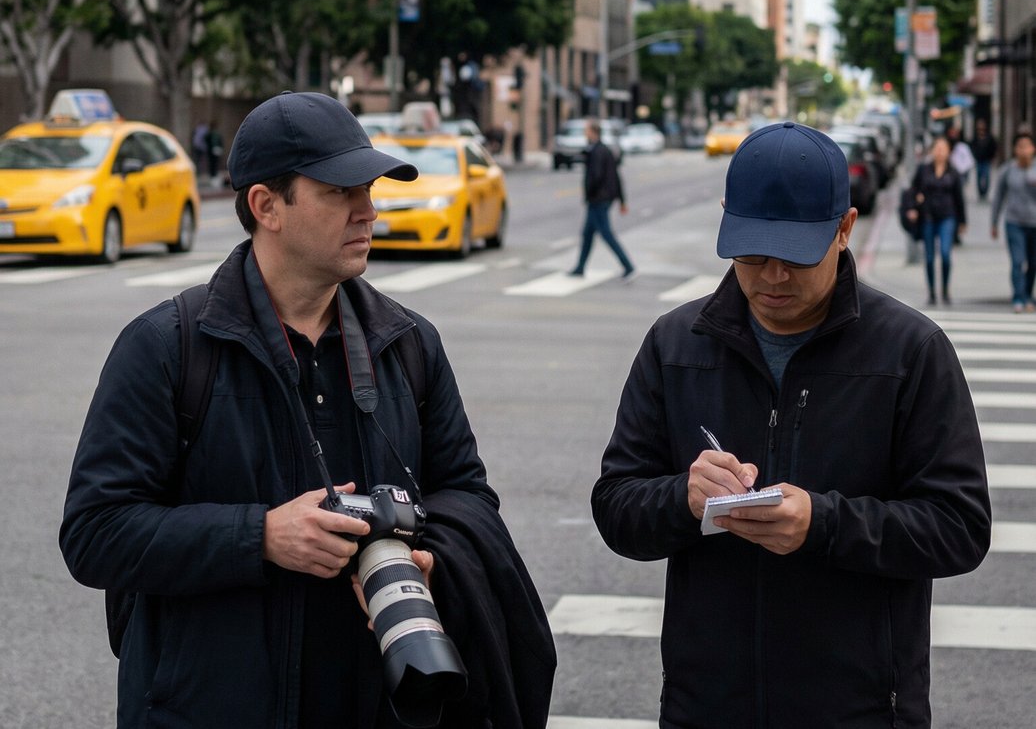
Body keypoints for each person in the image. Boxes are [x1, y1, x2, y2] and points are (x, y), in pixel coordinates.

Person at [60, 91, 555, 729]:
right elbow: (95, 533)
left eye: (368, 189)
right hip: (209, 708)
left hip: (373, 703)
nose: (367, 210)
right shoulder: (166, 347)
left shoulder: (409, 343)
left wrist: (428, 559)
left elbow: (467, 495)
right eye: (340, 192)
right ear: (266, 206)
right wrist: (261, 537)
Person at [591, 121, 991, 729]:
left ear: (845, 229)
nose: (773, 276)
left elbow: (960, 526)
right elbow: (616, 506)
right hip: (707, 706)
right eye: (752, 254)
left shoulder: (911, 351)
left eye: (797, 256)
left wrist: (823, 523)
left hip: (860, 710)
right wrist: (684, 499)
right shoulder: (675, 345)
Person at [569, 118, 635, 280]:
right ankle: (580, 267)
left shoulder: (598, 152)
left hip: (598, 200)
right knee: (587, 234)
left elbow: (596, 177)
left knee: (606, 234)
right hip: (600, 199)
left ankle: (628, 266)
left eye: (586, 130)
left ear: (593, 132)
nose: (584, 133)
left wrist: (590, 193)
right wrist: (622, 200)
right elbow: (616, 177)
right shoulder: (602, 150)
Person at [907, 134, 967, 305]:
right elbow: (913, 189)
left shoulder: (953, 172)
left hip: (948, 216)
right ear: (932, 151)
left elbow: (959, 197)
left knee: (946, 254)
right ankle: (932, 292)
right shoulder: (923, 169)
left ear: (948, 152)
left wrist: (962, 221)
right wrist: (913, 206)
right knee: (929, 257)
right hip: (928, 216)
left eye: (943, 148)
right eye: (937, 148)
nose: (940, 152)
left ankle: (945, 289)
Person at [990, 129, 1036, 313]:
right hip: (1014, 222)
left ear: (1033, 148)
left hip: (1034, 223)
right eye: (1020, 146)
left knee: (1033, 262)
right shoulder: (1007, 170)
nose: (1023, 150)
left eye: (1027, 146)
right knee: (1017, 261)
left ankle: (1027, 295)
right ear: (1015, 149)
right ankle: (1018, 296)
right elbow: (998, 197)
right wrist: (994, 222)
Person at [969, 118, 999, 201]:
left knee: (986, 176)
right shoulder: (975, 137)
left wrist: (992, 157)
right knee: (978, 177)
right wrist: (974, 155)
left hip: (986, 160)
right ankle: (980, 193)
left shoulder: (989, 137)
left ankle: (985, 192)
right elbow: (972, 146)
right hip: (978, 160)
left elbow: (994, 147)